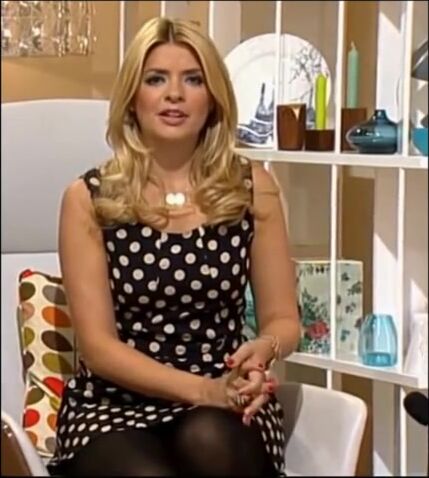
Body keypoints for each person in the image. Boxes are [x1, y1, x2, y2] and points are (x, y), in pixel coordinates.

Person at [47, 16, 300, 477]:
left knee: (212, 442)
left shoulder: (252, 188)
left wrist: (263, 349)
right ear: (133, 97)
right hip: (113, 407)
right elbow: (99, 348)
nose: (175, 94)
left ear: (213, 98)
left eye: (193, 80)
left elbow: (284, 319)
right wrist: (203, 390)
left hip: (225, 398)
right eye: (156, 79)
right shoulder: (88, 199)